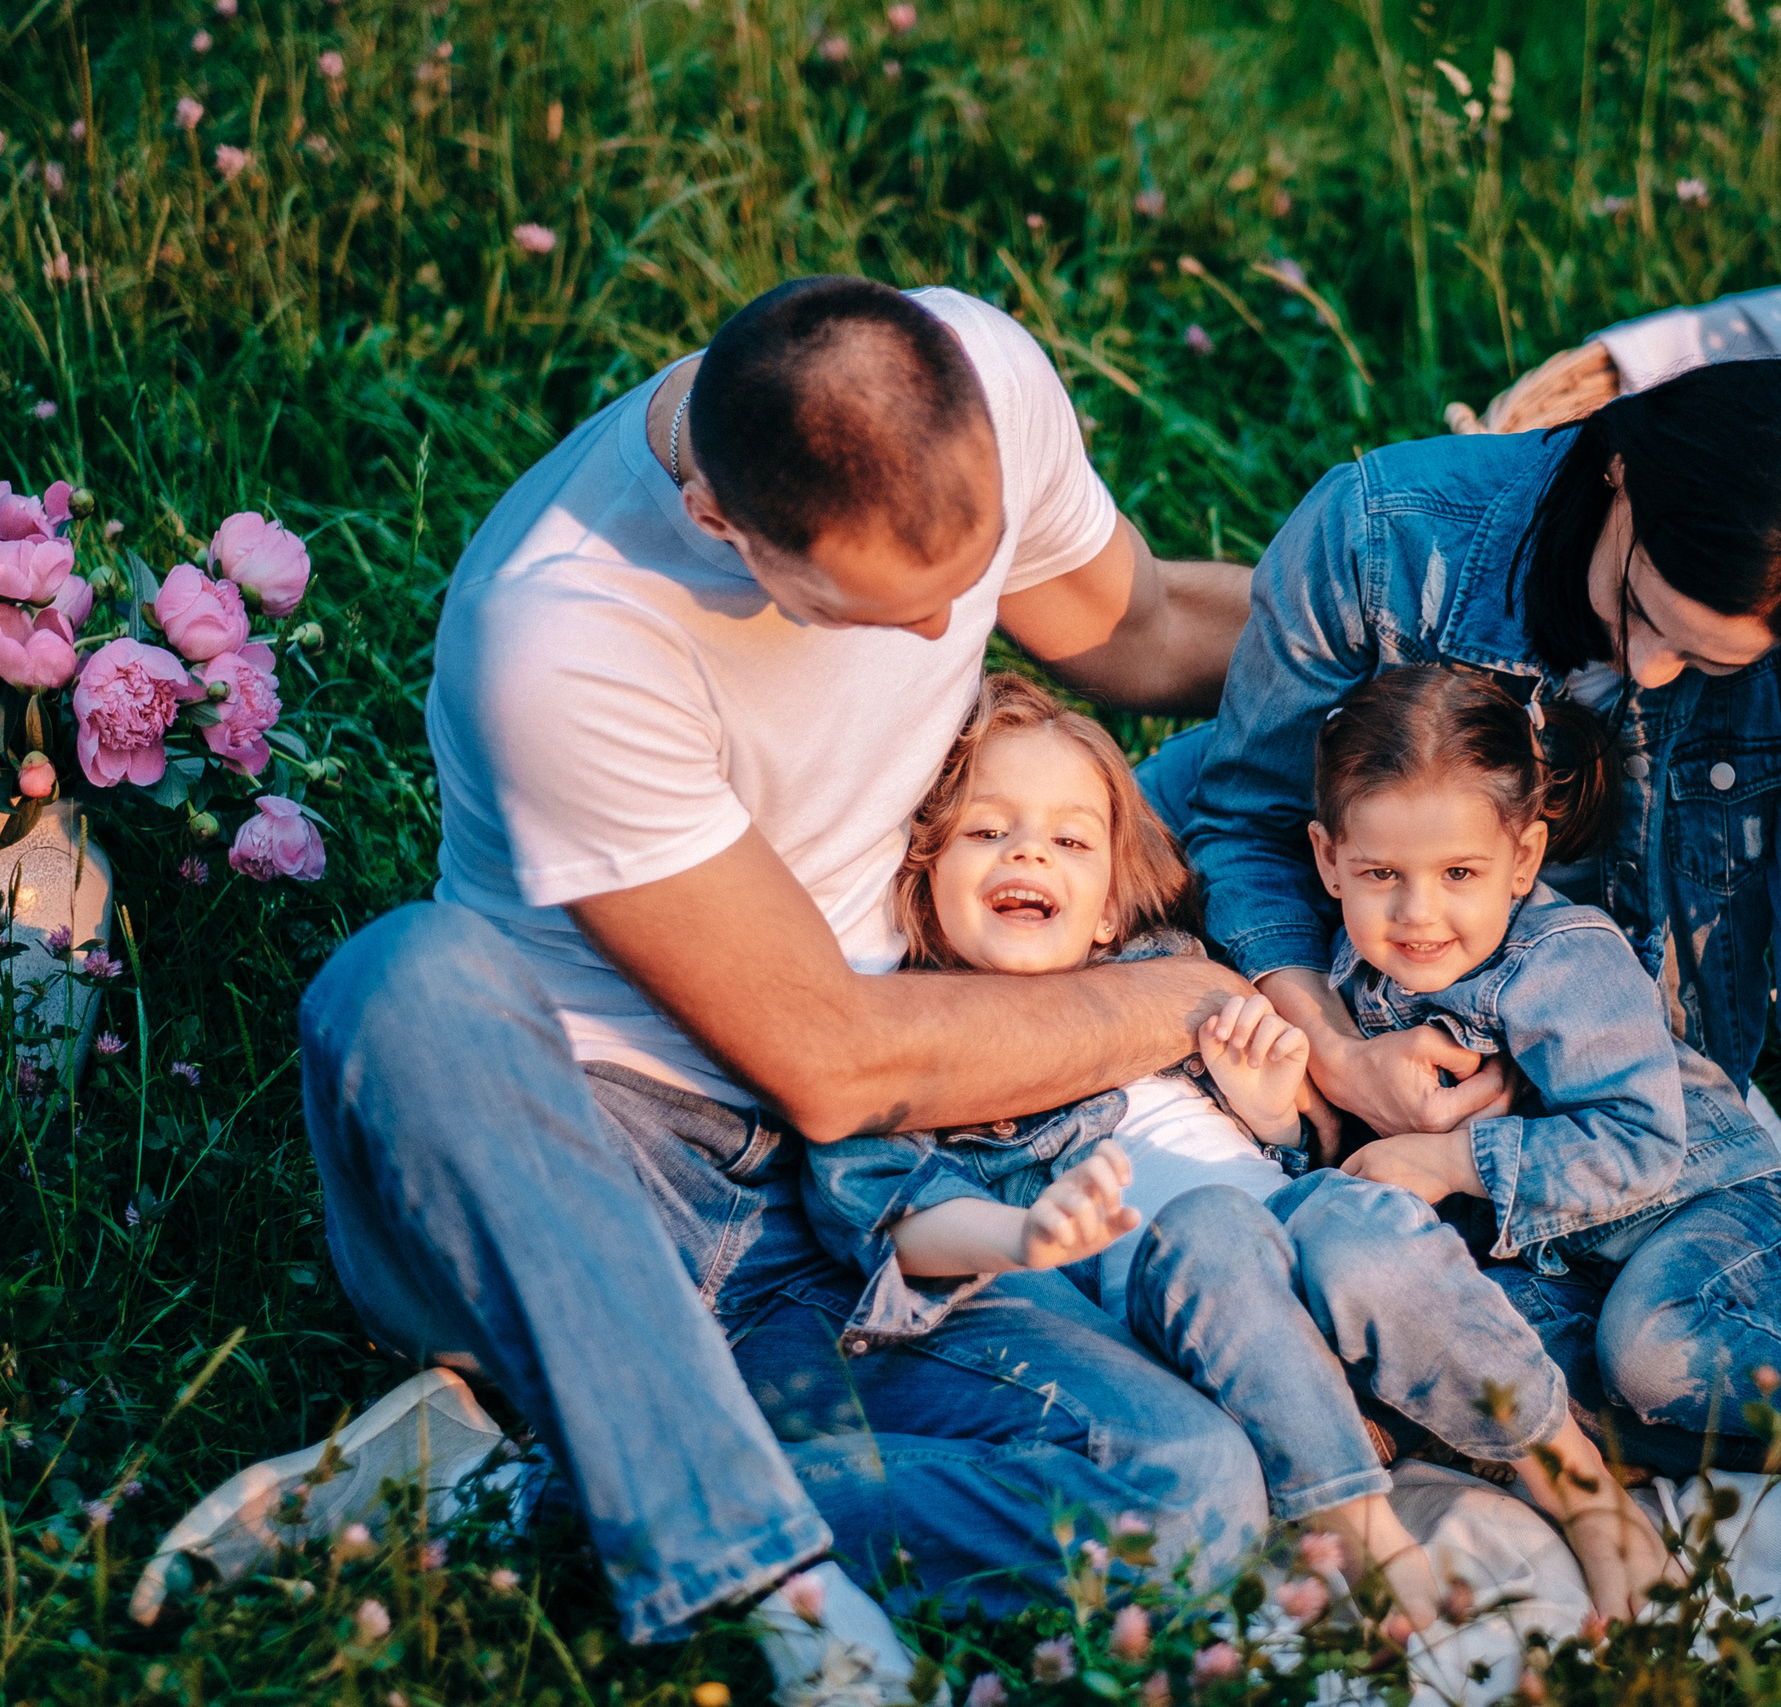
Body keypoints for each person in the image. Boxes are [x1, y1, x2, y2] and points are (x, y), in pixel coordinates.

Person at [298, 275, 1270, 1681]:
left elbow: (1146, 626)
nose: (952, 639)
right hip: (576, 1180)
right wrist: (1190, 996)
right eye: (884, 613)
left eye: (973, 580)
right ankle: (789, 1605)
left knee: (1187, 1493)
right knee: (407, 973)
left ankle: (519, 1497)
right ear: (720, 526)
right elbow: (833, 1057)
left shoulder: (980, 373)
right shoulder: (567, 628)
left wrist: (1427, 663)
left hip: (834, 1208)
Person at [1145, 359, 1781, 1442]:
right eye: (1641, 611)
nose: (1646, 669)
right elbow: (1246, 829)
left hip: (1643, 1139)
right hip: (1403, 1086)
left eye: (1704, 658)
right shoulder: (1383, 538)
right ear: (1621, 476)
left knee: (1631, 1355)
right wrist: (1340, 1056)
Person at [798, 673, 1676, 1629]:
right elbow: (886, 1215)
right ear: (923, 876)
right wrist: (1020, 1229)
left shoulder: (1160, 975)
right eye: (987, 830)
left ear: (1106, 909)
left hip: (1329, 1280)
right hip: (1188, 1325)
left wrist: (1273, 1120)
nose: (1028, 852)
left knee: (1358, 1221)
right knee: (1213, 1226)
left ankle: (1581, 1487)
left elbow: (1298, 1150)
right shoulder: (911, 1047)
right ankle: (1375, 1548)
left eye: (1069, 839)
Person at [1315, 666, 1781, 1476]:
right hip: (1557, 1267)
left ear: (1523, 858)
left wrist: (1450, 1160)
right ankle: (1677, 1442)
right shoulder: (1352, 981)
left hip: (1705, 1216)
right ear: (1330, 861)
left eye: (1459, 874)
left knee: (1647, 1351)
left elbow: (1643, 1144)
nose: (1418, 913)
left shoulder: (1563, 958)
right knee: (1506, 1380)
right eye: (1380, 875)